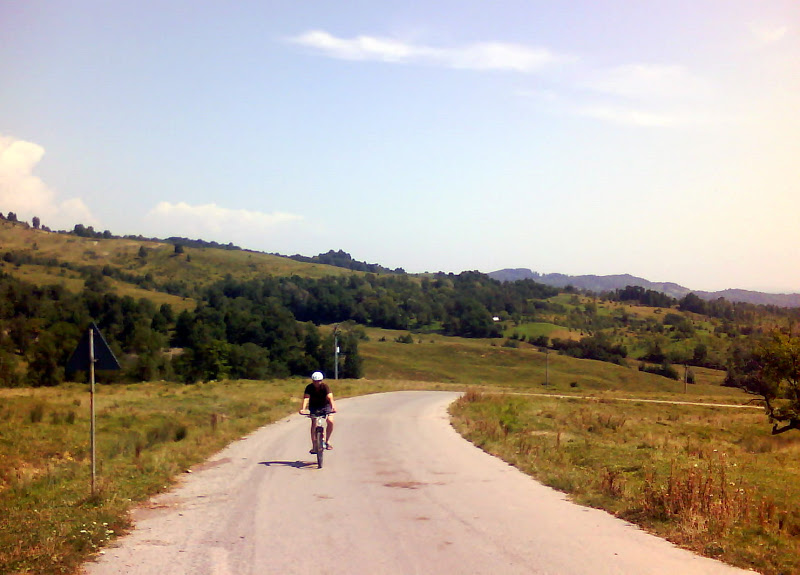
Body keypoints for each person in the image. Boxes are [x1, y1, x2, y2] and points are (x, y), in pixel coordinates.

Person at [299, 371, 336, 453]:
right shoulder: (309, 387)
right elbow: (306, 398)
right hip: (314, 407)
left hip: (325, 406)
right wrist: (303, 408)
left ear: (321, 380)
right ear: (312, 381)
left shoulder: (325, 387)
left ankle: (327, 441)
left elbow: (330, 397)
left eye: (318, 381)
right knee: (314, 424)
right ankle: (314, 445)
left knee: (330, 421)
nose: (317, 383)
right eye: (315, 381)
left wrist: (333, 407)